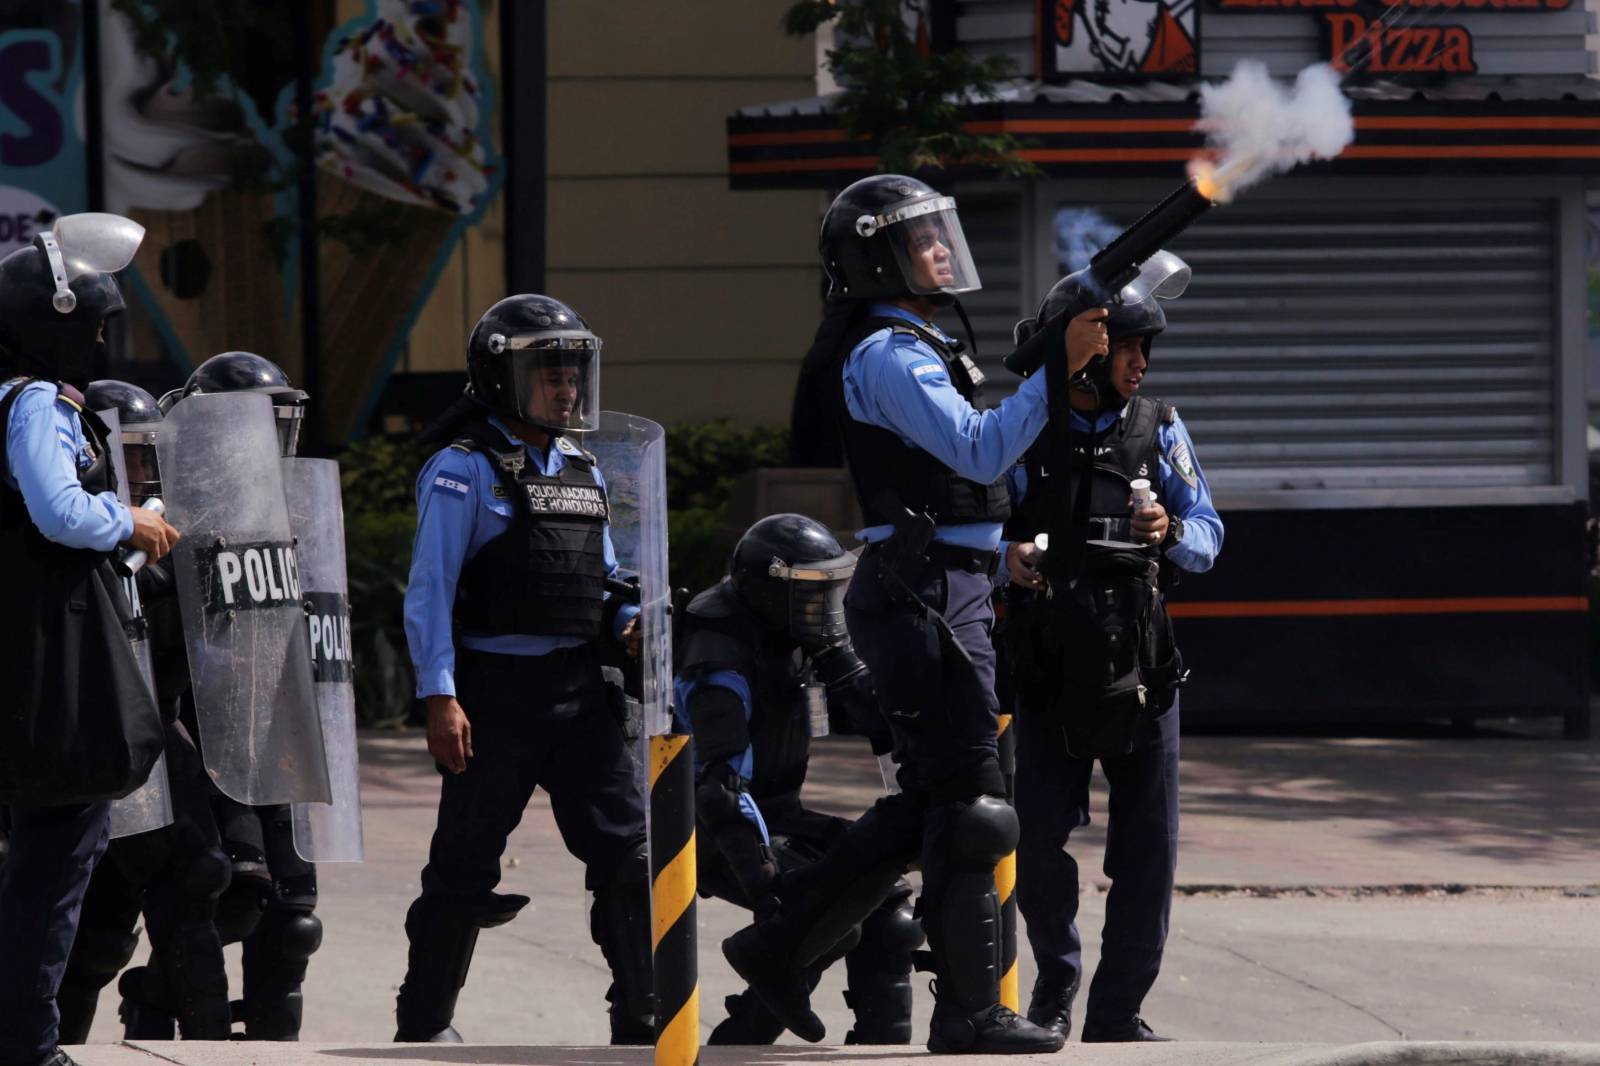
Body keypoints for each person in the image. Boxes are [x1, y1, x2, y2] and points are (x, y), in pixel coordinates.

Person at [721, 175, 1104, 1055]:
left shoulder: (923, 339)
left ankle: (778, 945)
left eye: (941, 232)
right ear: (878, 256)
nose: (940, 246)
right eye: (920, 236)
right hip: (921, 594)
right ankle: (969, 1014)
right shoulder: (889, 353)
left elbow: (959, 480)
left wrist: (995, 548)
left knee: (929, 803)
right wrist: (1059, 368)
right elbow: (981, 445)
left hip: (947, 580)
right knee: (972, 802)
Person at [395, 294, 653, 1044]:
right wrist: (439, 697)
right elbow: (430, 592)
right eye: (549, 371)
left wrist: (629, 623)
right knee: (465, 864)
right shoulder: (462, 468)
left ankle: (642, 1019)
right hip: (493, 697)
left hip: (581, 693)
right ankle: (423, 1024)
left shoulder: (580, 466)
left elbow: (604, 581)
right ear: (502, 377)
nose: (566, 387)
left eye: (573, 371)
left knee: (628, 852)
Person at [1001, 284, 1222, 1043]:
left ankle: (1118, 1010)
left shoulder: (1159, 426)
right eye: (1124, 347)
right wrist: (1012, 558)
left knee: (1149, 850)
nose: (1139, 364)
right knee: (1033, 842)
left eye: (1143, 349)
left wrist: (1168, 530)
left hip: (1143, 669)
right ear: (1084, 355)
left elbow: (1208, 531)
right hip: (1050, 667)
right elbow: (983, 524)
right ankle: (1054, 987)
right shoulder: (1026, 428)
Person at [0, 214, 179, 1066]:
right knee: (56, 860)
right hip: (52, 661)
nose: (103, 343)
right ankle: (29, 1046)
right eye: (95, 327)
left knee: (48, 854)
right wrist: (131, 520)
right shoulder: (34, 401)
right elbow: (58, 510)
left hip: (36, 648)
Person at [677, 514, 921, 1046]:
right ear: (769, 589)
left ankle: (879, 1043)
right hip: (715, 833)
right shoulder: (718, 659)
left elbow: (873, 718)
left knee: (890, 907)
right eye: (812, 591)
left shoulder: (789, 630)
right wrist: (769, 893)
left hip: (779, 811)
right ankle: (742, 1035)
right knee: (827, 915)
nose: (824, 604)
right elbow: (722, 791)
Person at [56, 379, 234, 1043]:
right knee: (90, 926)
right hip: (77, 734)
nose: (142, 474)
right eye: (127, 457)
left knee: (201, 875)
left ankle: (208, 1045)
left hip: (154, 732)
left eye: (149, 456)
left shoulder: (172, 535)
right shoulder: (62, 535)